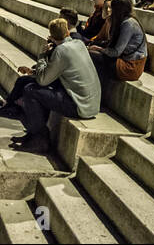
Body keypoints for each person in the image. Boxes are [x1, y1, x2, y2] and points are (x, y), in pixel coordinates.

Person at [9, 17, 102, 153]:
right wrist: (35, 71)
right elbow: (53, 73)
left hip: (78, 105)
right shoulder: (79, 44)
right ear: (68, 32)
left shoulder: (61, 51)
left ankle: (39, 138)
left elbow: (42, 80)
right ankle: (33, 134)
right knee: (40, 89)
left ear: (51, 37)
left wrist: (43, 55)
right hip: (90, 103)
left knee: (30, 90)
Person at [88, 0, 148, 82]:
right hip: (124, 60)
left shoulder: (128, 24)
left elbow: (116, 52)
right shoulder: (124, 21)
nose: (110, 11)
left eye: (112, 8)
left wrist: (99, 49)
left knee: (93, 56)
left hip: (130, 66)